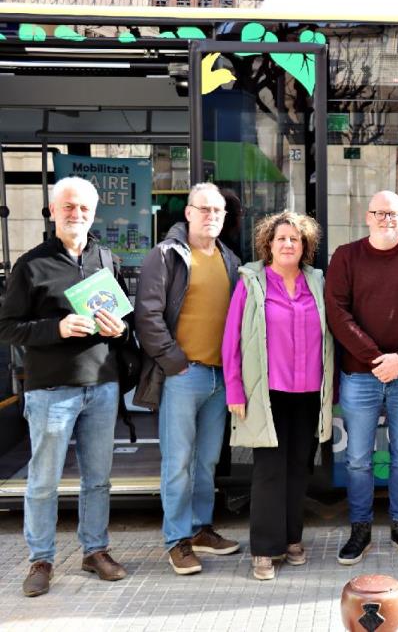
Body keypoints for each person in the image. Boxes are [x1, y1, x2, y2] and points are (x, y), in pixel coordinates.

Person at [0, 176, 130, 597]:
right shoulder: (31, 264)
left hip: (102, 385)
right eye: (68, 207)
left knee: (99, 478)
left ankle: (95, 551)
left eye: (84, 209)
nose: (76, 215)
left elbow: (123, 322)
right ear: (53, 211)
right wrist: (55, 327)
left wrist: (119, 330)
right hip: (51, 389)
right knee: (43, 479)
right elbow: (7, 327)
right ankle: (41, 559)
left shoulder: (106, 258)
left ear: (95, 213)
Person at [326, 191, 398, 565]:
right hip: (360, 376)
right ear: (367, 216)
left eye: (393, 214)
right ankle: (360, 529)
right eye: (379, 213)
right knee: (358, 459)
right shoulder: (346, 256)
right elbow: (337, 314)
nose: (386, 219)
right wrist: (378, 359)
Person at [134, 182, 241, 575]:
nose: (211, 215)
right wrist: (174, 362)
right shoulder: (164, 256)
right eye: (204, 208)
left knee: (207, 460)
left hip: (219, 378)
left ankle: (200, 530)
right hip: (183, 376)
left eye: (218, 210)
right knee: (178, 461)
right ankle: (177, 539)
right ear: (189, 213)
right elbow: (147, 317)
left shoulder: (229, 258)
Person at [222, 211, 334, 580]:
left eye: (295, 239)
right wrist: (235, 389)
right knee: (269, 470)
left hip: (308, 393)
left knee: (300, 469)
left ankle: (292, 540)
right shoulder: (251, 282)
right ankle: (265, 550)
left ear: (305, 247)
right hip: (265, 393)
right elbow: (232, 340)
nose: (288, 244)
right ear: (268, 245)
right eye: (281, 238)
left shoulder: (316, 282)